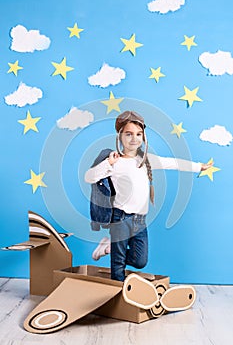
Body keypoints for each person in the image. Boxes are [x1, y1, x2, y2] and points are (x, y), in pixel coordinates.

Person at [85, 111, 212, 282]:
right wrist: (108, 163)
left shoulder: (146, 160)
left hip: (140, 221)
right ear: (120, 136)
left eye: (138, 134)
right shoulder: (114, 161)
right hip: (120, 218)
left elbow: (172, 163)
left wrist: (198, 166)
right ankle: (118, 299)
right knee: (118, 264)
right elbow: (89, 177)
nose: (133, 139)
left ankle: (109, 247)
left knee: (140, 261)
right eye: (128, 134)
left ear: (143, 137)